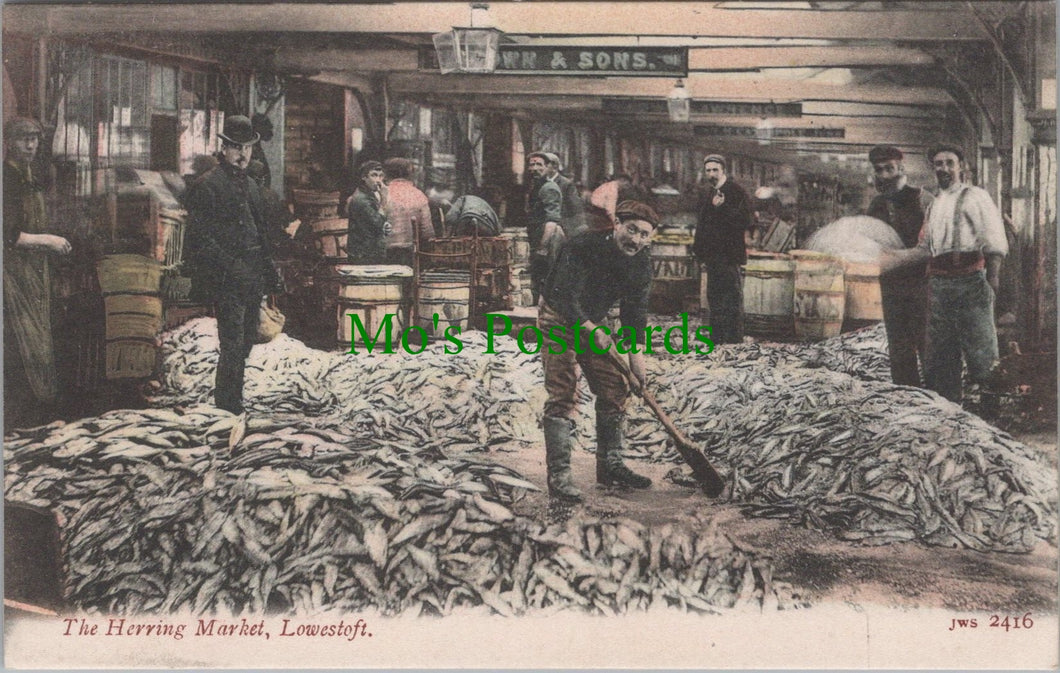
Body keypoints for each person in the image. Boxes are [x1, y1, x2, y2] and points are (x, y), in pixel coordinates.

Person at [537, 200, 660, 501]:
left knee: (614, 387)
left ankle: (610, 465)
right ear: (617, 224)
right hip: (559, 317)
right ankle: (560, 476)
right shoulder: (581, 246)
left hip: (594, 319)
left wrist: (637, 361)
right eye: (631, 230)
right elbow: (564, 295)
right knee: (563, 392)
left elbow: (635, 311)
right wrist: (592, 329)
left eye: (644, 235)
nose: (636, 240)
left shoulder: (641, 262)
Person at [884, 144, 1008, 404]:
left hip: (970, 282)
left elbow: (994, 241)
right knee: (940, 352)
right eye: (939, 164)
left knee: (981, 349)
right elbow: (923, 250)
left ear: (960, 166)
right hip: (940, 286)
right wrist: (888, 259)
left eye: (949, 163)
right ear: (934, 168)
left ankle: (991, 407)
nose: (944, 169)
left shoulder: (975, 196)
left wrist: (992, 281)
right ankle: (948, 405)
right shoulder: (935, 204)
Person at [184, 115, 283, 416]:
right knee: (232, 341)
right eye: (237, 148)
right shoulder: (207, 186)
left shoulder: (252, 186)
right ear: (224, 148)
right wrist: (231, 267)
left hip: (252, 274)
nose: (243, 154)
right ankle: (228, 404)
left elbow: (261, 232)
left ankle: (233, 396)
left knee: (249, 338)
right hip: (226, 278)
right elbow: (200, 240)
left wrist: (270, 270)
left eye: (248, 148)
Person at [3, 117, 71, 429]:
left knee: (38, 342)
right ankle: (21, 421)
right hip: (12, 277)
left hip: (33, 274)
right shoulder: (7, 179)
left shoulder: (29, 176)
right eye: (23, 139)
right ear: (8, 142)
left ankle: (37, 418)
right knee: (21, 344)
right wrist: (49, 241)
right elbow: (9, 236)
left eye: (34, 139)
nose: (30, 145)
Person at [866, 145, 934, 387]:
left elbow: (933, 246)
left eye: (890, 168)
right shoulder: (876, 205)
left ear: (901, 168)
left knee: (927, 343)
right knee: (898, 346)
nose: (884, 175)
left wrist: (897, 257)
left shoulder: (923, 200)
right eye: (879, 169)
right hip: (891, 285)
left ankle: (936, 399)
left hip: (922, 284)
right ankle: (907, 394)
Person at [692, 154, 754, 344]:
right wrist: (698, 250)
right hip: (712, 255)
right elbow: (703, 223)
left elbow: (745, 221)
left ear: (723, 170)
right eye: (708, 170)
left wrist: (722, 208)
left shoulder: (736, 192)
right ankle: (717, 338)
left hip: (729, 254)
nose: (711, 174)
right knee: (714, 297)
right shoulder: (708, 192)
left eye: (715, 170)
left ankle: (734, 339)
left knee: (732, 297)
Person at [525, 151, 563, 303]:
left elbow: (552, 221)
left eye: (539, 164)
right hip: (540, 236)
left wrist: (543, 247)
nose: (534, 168)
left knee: (547, 278)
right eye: (531, 164)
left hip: (550, 238)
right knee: (540, 277)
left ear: (547, 168)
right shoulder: (536, 187)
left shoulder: (549, 188)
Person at [381, 157, 432, 267]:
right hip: (410, 253)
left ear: (386, 174)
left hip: (382, 253)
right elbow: (427, 232)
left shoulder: (380, 194)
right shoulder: (419, 195)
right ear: (409, 174)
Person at [345, 160, 389, 264]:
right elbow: (377, 222)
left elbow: (374, 222)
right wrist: (384, 199)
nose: (378, 180)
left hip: (368, 252)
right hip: (365, 254)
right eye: (374, 175)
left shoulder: (369, 195)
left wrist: (385, 225)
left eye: (380, 176)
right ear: (363, 177)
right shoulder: (362, 200)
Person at [544, 152, 586, 237]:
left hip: (561, 230)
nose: (540, 168)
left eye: (545, 165)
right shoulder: (540, 183)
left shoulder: (566, 184)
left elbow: (576, 209)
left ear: (554, 167)